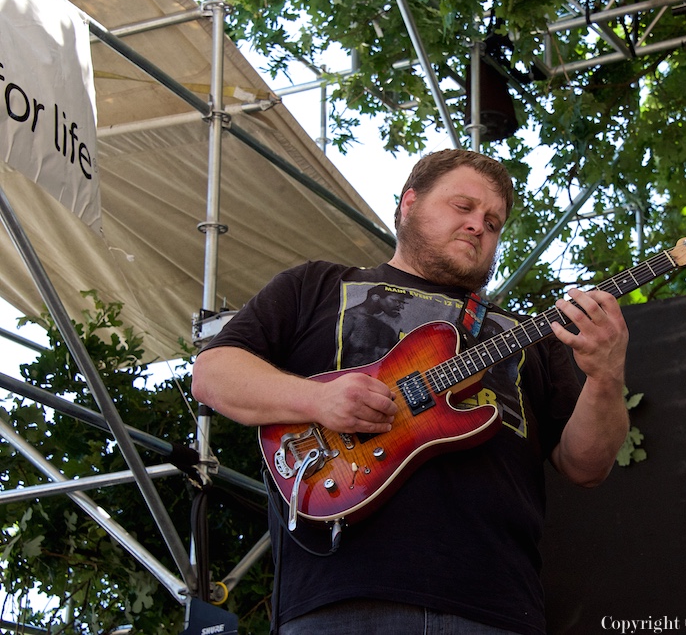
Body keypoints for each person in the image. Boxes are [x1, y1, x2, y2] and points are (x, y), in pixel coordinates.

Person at [191, 149, 630, 635]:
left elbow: (588, 465)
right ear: (409, 203)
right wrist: (317, 401)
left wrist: (606, 376)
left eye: (493, 222)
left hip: (499, 606)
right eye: (463, 207)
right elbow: (213, 375)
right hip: (341, 598)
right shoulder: (317, 285)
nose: (479, 226)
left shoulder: (529, 335)